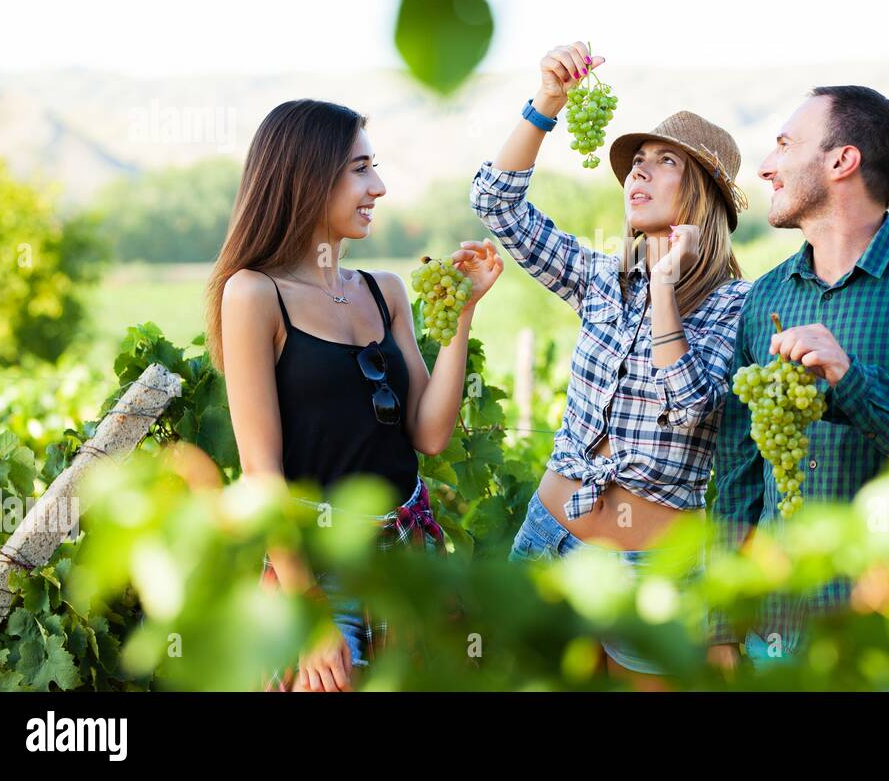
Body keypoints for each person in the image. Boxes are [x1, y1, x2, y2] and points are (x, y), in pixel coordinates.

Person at [470, 41, 750, 687]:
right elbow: (496, 206)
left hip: (650, 576)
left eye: (664, 162)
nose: (638, 174)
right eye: (636, 163)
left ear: (704, 192)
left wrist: (661, 292)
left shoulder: (740, 306)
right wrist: (547, 103)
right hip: (549, 538)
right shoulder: (600, 279)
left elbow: (691, 409)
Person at [206, 98, 502, 691]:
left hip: (408, 560)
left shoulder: (383, 291)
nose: (380, 187)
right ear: (306, 177)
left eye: (376, 166)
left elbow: (430, 433)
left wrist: (463, 312)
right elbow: (261, 472)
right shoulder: (255, 294)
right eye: (361, 169)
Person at [709, 85, 889, 671]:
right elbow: (739, 474)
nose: (765, 166)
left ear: (842, 161)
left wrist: (848, 379)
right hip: (778, 644)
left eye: (785, 144)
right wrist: (720, 629)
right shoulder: (765, 295)